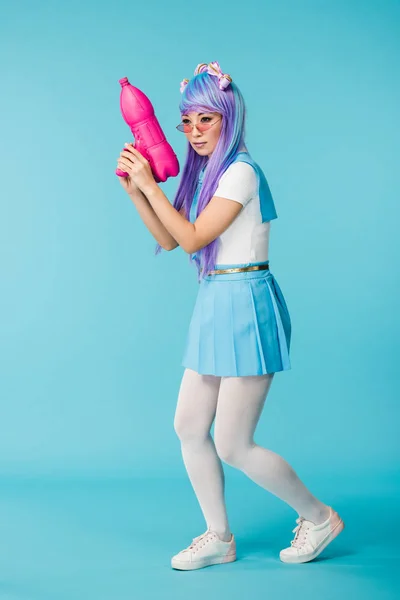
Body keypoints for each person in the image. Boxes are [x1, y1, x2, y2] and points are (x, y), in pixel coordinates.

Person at [116, 61, 345, 571]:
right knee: (189, 426)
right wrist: (137, 191)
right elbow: (170, 238)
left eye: (206, 120)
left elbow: (195, 237)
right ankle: (218, 536)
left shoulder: (240, 171)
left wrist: (153, 187)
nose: (194, 132)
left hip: (246, 301)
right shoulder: (208, 174)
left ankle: (320, 517)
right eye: (187, 122)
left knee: (234, 443)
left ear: (228, 117)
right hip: (215, 298)